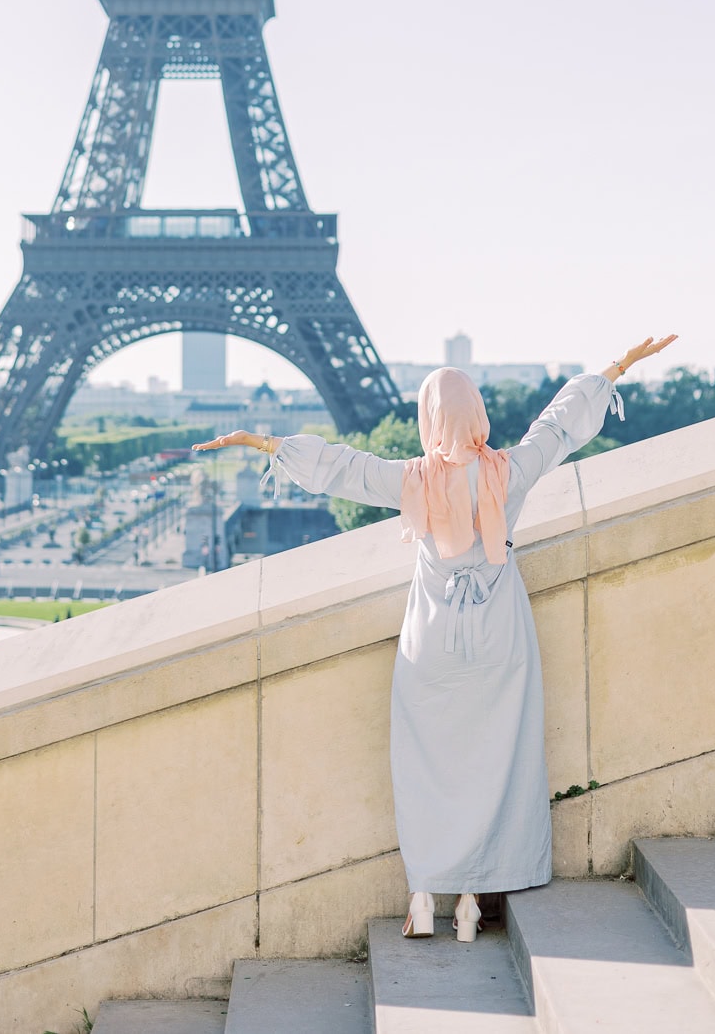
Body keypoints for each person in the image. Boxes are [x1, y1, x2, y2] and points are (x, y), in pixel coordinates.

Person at [193, 333, 677, 942]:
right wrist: (617, 367)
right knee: (494, 760)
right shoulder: (509, 471)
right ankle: (471, 902)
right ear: (475, 413)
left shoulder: (410, 480)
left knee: (424, 765)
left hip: (432, 639)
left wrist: (263, 442)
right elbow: (557, 429)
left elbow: (342, 469)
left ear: (428, 417)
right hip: (500, 633)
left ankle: (422, 897)